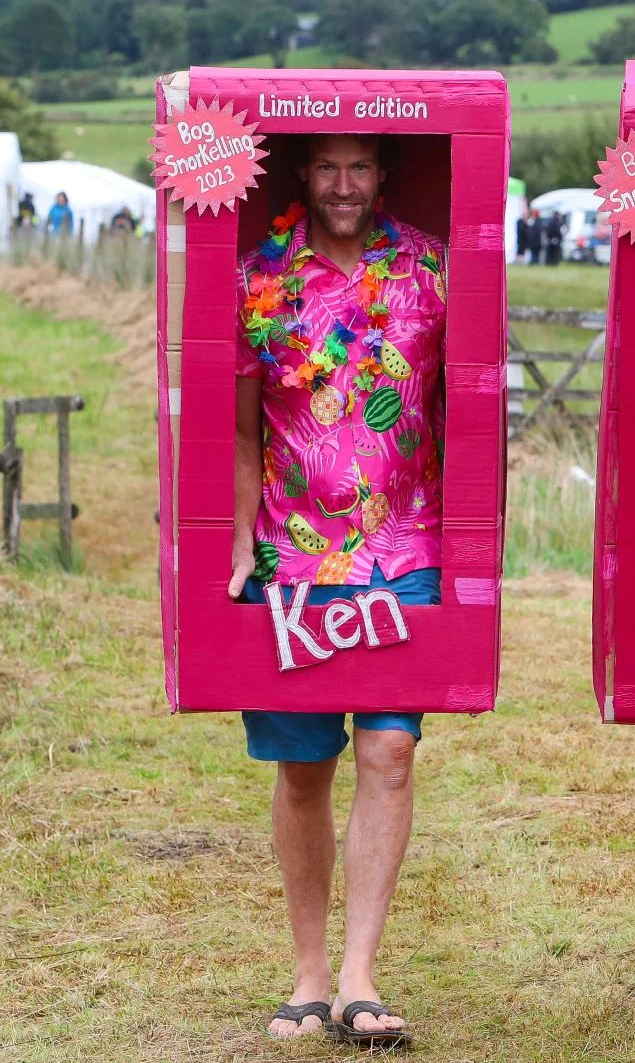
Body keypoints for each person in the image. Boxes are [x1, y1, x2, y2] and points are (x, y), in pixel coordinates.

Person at [227, 133, 448, 1049]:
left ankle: (361, 975)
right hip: (291, 557)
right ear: (301, 179)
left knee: (390, 752)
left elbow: (471, 404)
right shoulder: (253, 283)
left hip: (407, 547)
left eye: (360, 168)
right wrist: (237, 536)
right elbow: (240, 435)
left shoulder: (432, 272)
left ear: (383, 177)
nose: (344, 186)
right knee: (304, 766)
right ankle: (310, 975)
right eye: (327, 169)